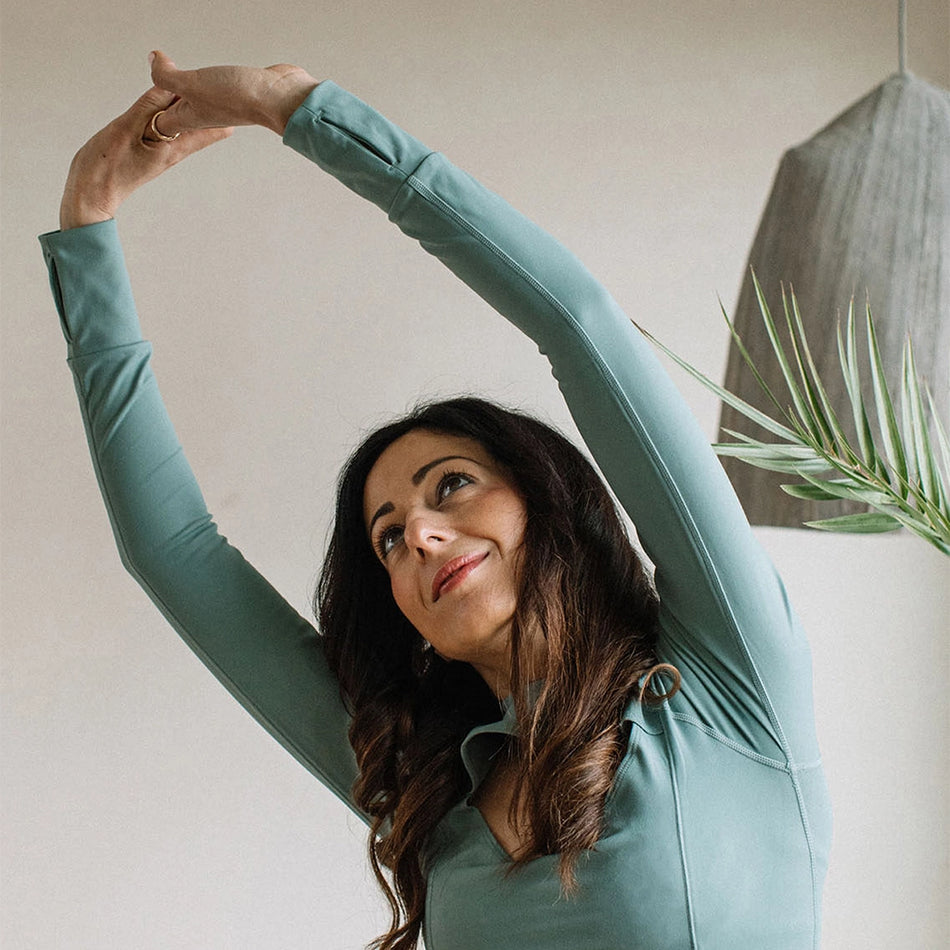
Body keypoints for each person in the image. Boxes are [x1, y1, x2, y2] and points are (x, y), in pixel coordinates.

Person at [41, 52, 831, 950]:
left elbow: (577, 320)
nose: (416, 531)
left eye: (451, 485)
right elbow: (172, 549)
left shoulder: (729, 685)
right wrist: (86, 221)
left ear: (547, 502)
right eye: (386, 540)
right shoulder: (428, 789)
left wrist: (300, 109)